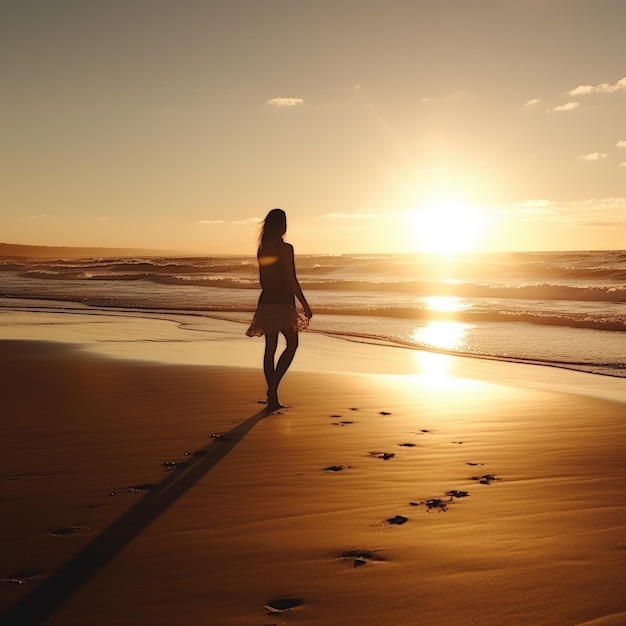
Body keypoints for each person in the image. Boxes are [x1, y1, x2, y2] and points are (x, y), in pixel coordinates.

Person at [246, 208, 312, 412]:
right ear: (282, 225)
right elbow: (292, 280)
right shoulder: (285, 248)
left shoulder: (262, 248)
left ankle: (272, 393)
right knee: (292, 344)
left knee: (270, 347)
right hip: (283, 301)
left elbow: (262, 280)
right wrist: (305, 304)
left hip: (266, 300)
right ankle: (272, 389)